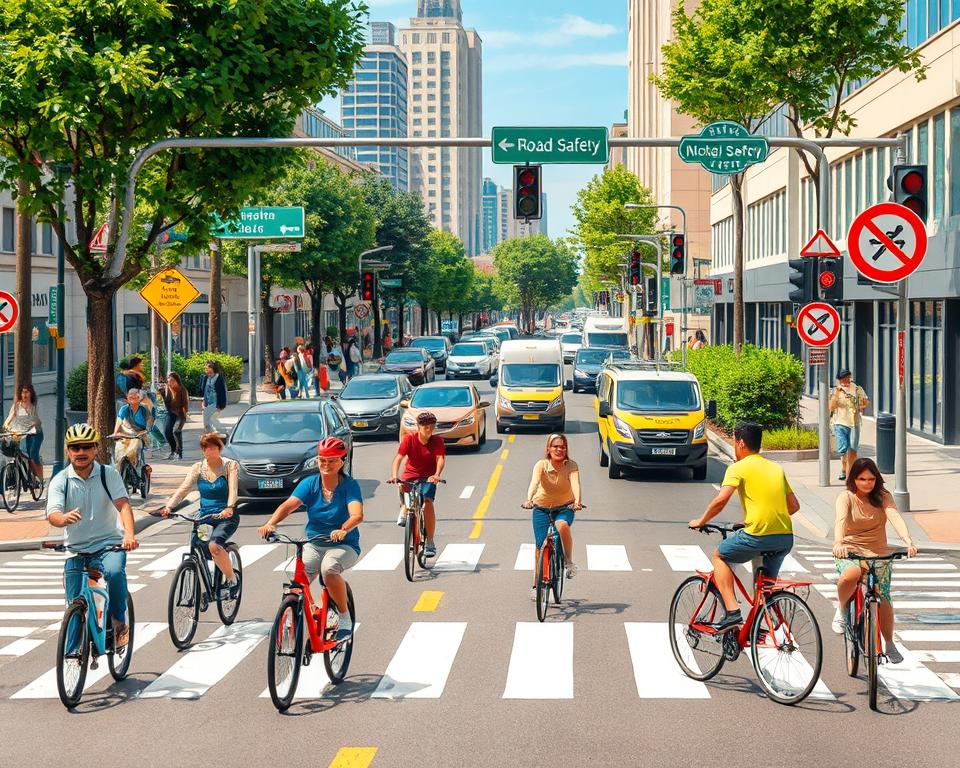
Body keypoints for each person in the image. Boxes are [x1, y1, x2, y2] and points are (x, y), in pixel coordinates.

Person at [688, 421, 800, 631]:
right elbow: (793, 506)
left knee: (720, 556)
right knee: (764, 588)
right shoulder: (776, 468)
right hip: (784, 538)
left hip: (757, 536)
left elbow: (720, 501)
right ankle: (760, 626)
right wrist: (763, 518)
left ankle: (732, 612)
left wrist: (701, 521)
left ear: (740, 443)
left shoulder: (737, 468)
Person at [258, 437, 362, 638]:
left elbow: (357, 514)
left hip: (344, 544)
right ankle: (304, 609)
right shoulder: (310, 483)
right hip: (314, 544)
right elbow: (289, 505)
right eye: (322, 459)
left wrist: (344, 529)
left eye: (332, 460)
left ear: (342, 461)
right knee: (296, 580)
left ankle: (344, 617)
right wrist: (271, 523)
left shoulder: (349, 485)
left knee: (329, 570)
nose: (326, 464)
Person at [46, 423, 139, 649]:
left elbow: (124, 506)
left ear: (96, 449)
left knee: (116, 572)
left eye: (86, 447)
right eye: (75, 448)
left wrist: (129, 534)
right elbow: (53, 514)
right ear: (68, 451)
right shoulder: (61, 480)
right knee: (74, 603)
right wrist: (63, 518)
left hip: (108, 545)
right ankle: (72, 652)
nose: (81, 452)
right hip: (76, 548)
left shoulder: (109, 474)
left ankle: (118, 623)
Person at [830, 457, 917, 663]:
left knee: (884, 596)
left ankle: (889, 644)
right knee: (851, 574)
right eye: (862, 479)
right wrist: (839, 543)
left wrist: (908, 541)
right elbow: (840, 521)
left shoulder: (883, 496)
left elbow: (894, 516)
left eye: (871, 479)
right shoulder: (846, 497)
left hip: (879, 552)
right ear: (853, 479)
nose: (867, 483)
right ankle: (842, 609)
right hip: (850, 550)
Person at [160, 433, 240, 596]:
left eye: (214, 447)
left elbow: (233, 490)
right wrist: (169, 507)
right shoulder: (198, 468)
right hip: (204, 517)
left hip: (225, 517)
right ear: (202, 450)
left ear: (219, 448)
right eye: (206, 447)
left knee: (214, 546)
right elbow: (184, 488)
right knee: (199, 546)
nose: (210, 450)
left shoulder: (230, 466)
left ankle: (232, 579)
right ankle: (210, 577)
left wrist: (229, 507)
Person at [521, 433, 583, 601]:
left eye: (562, 446)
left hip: (565, 506)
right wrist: (529, 499)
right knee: (540, 546)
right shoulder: (541, 465)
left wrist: (577, 501)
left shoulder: (571, 465)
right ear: (548, 449)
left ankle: (569, 562)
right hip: (541, 507)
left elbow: (575, 484)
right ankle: (536, 585)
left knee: (562, 524)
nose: (559, 449)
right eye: (555, 446)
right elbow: (534, 483)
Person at [388, 412, 445, 558]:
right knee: (402, 486)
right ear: (418, 426)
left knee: (427, 502)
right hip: (411, 475)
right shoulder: (409, 439)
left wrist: (437, 474)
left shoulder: (437, 441)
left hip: (429, 477)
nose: (429, 429)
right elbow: (398, 458)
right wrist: (394, 475)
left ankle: (430, 542)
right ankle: (404, 508)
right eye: (425, 426)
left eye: (432, 426)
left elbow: (440, 459)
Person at [829, 368, 868, 481]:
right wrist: (837, 391)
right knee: (843, 449)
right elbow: (831, 407)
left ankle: (850, 473)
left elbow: (865, 401)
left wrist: (861, 406)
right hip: (839, 423)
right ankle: (843, 468)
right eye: (844, 379)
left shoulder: (856, 389)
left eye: (848, 378)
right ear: (839, 380)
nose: (847, 380)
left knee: (852, 450)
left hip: (853, 423)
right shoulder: (834, 391)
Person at [3, 384, 44, 486]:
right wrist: (7, 426)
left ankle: (40, 479)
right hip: (21, 433)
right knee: (19, 451)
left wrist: (30, 427)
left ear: (31, 393)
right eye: (22, 392)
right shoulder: (16, 406)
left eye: (26, 392)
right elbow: (9, 418)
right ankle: (24, 476)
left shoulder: (33, 406)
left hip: (35, 433)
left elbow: (37, 421)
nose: (24, 395)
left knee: (32, 455)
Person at [113, 388, 153, 474]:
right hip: (125, 434)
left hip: (139, 435)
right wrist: (115, 433)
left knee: (135, 449)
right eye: (130, 396)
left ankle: (137, 471)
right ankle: (120, 473)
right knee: (118, 451)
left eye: (135, 396)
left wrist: (146, 430)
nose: (133, 397)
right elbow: (119, 420)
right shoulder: (124, 409)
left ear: (139, 398)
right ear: (127, 398)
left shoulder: (143, 408)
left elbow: (149, 419)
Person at [158, 372, 188, 460]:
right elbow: (165, 402)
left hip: (179, 414)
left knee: (176, 431)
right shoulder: (167, 388)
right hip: (170, 413)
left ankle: (179, 453)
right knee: (167, 432)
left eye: (172, 380)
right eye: (168, 380)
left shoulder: (182, 390)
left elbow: (185, 405)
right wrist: (162, 393)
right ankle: (173, 451)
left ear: (176, 381)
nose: (170, 382)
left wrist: (184, 417)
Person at [199, 359, 228, 436]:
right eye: (206, 368)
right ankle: (213, 435)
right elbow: (202, 391)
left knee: (210, 420)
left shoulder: (219, 378)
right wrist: (202, 401)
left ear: (213, 368)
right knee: (208, 422)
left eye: (209, 367)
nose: (207, 369)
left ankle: (222, 433)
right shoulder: (204, 378)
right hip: (207, 403)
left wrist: (221, 406)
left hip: (215, 403)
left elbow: (223, 392)